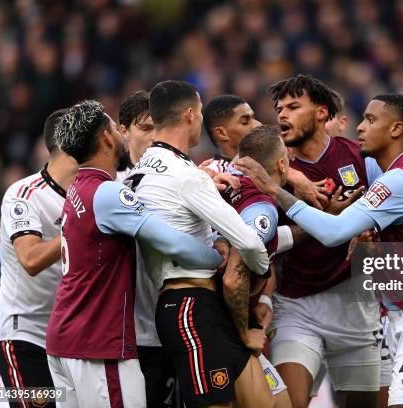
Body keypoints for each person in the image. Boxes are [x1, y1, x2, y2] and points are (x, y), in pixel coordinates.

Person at [235, 93, 403, 408]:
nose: (359, 127)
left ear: (396, 129)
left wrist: (274, 189)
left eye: (371, 120)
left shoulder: (400, 178)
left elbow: (334, 232)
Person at [45, 100, 224, 407]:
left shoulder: (79, 187)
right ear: (106, 138)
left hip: (64, 339)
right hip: (99, 345)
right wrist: (217, 257)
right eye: (115, 127)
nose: (119, 132)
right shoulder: (109, 192)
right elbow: (173, 243)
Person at [126, 80, 274, 408]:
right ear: (191, 115)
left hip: (198, 306)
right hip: (189, 307)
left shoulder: (139, 173)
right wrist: (264, 269)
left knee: (269, 402)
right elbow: (249, 243)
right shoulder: (185, 175)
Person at [244, 75, 382, 408]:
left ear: (321, 113)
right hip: (296, 305)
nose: (282, 116)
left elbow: (389, 224)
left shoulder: (360, 158)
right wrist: (291, 177)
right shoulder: (273, 166)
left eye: (293, 107)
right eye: (279, 109)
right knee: (289, 402)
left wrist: (370, 235)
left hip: (354, 302)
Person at [0, 109, 77, 407]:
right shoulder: (24, 193)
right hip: (21, 334)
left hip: (66, 339)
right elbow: (29, 258)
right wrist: (76, 231)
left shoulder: (91, 193)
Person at [222, 125, 293, 407]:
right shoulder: (262, 208)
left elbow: (270, 245)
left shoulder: (226, 183)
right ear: (282, 163)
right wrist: (244, 331)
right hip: (225, 325)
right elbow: (233, 277)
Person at [117, 90, 177, 407]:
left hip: (172, 330)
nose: (154, 138)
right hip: (125, 337)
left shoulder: (186, 178)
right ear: (123, 131)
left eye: (159, 128)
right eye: (145, 128)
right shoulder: (110, 189)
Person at [203, 94, 329, 210]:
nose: (258, 124)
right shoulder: (214, 173)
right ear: (221, 133)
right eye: (245, 121)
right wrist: (292, 175)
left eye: (254, 118)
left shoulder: (281, 154)